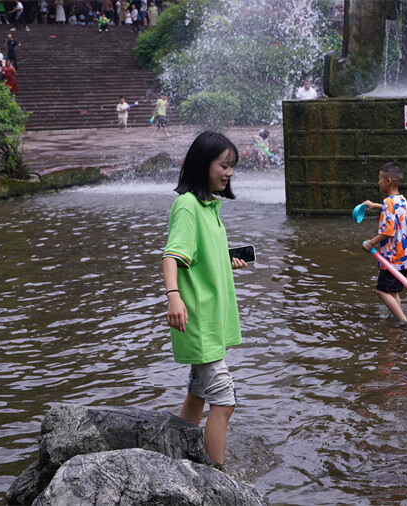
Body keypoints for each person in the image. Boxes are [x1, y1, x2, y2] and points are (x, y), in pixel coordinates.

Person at [162, 131, 246, 466]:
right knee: (224, 403)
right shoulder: (187, 206)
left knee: (198, 394)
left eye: (232, 167)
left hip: (210, 321)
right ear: (202, 164)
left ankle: (177, 455)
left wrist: (222, 259)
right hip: (198, 320)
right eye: (223, 165)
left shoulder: (208, 206)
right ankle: (217, 476)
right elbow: (171, 256)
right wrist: (174, 297)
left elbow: (196, 255)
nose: (228, 173)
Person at [359, 162, 407, 325]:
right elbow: (391, 209)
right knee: (393, 290)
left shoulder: (389, 202)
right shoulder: (401, 199)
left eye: (379, 179)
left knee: (381, 291)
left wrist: (370, 243)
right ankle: (397, 316)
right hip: (404, 256)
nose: (378, 183)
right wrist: (374, 205)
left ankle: (403, 320)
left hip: (392, 258)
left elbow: (387, 231)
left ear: (388, 181)